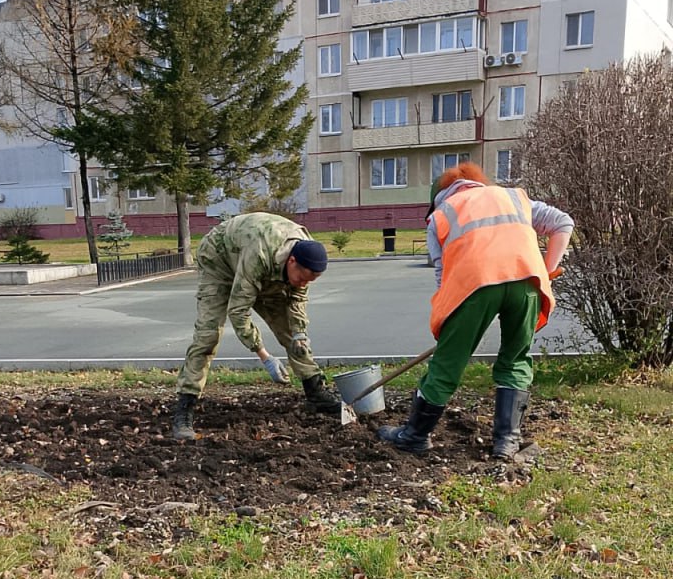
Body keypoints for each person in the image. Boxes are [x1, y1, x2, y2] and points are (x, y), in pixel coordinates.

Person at [379, 163, 574, 458]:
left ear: (440, 196)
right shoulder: (514, 197)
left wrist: (449, 327)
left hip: (474, 286)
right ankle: (506, 443)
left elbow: (443, 278)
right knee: (515, 358)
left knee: (447, 364)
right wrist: (546, 271)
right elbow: (563, 223)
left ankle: (415, 435)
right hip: (527, 281)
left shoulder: (441, 215)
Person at [173, 211, 340, 438]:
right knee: (208, 335)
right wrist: (264, 355)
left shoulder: (306, 254)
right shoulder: (259, 255)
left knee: (291, 334)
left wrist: (299, 333)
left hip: (266, 267)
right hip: (219, 260)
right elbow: (238, 311)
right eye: (302, 278)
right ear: (292, 261)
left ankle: (316, 392)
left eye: (309, 281)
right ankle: (185, 407)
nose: (303, 284)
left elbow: (297, 299)